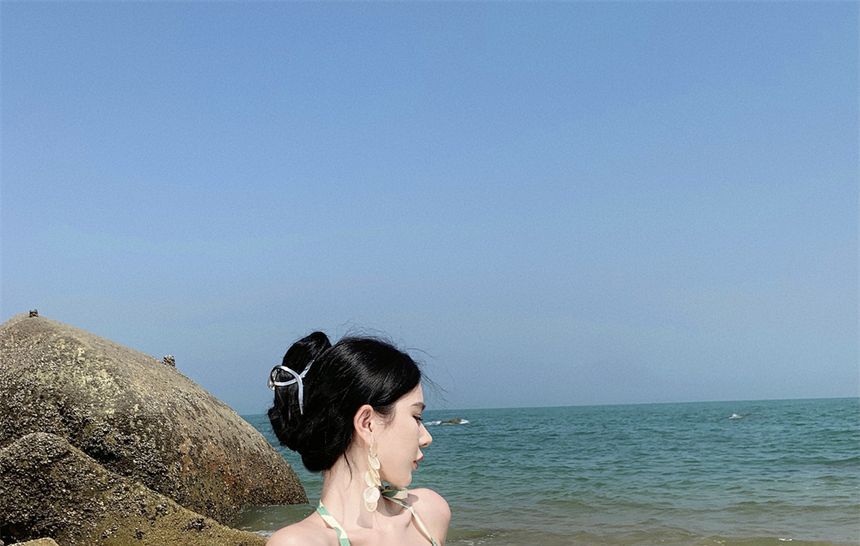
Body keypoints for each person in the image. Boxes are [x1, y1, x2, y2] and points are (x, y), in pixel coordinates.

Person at [265, 332, 450, 546]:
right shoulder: (300, 543)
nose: (426, 438)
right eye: (416, 417)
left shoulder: (429, 513)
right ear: (367, 423)